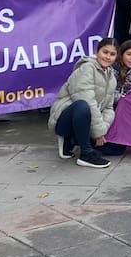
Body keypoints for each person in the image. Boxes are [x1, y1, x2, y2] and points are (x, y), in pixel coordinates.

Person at [48, 37, 119, 168]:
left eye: (112, 54)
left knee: (116, 149)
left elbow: (108, 108)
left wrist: (102, 129)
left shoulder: (111, 77)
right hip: (65, 120)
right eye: (105, 52)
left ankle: (71, 141)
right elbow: (87, 101)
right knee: (82, 105)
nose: (108, 57)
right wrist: (98, 133)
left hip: (87, 122)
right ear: (97, 51)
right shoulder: (86, 68)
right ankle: (85, 154)